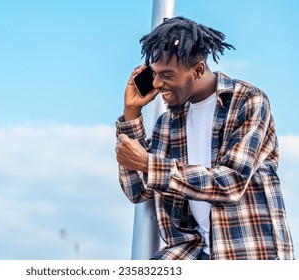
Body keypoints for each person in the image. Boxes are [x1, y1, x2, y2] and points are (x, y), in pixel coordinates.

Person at [115, 16, 294, 260]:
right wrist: (131, 113)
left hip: (248, 252)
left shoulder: (248, 101)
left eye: (167, 75)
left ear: (198, 70)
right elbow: (137, 190)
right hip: (195, 251)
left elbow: (231, 183)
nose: (157, 83)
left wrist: (148, 163)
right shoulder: (167, 124)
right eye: (155, 74)